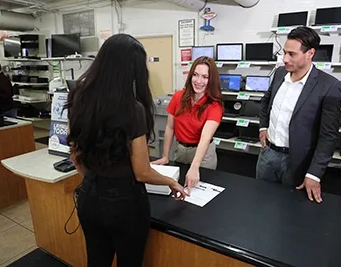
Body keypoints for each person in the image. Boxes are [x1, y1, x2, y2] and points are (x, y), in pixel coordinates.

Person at [65, 34, 188, 267]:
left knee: (96, 261)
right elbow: (142, 172)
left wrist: (95, 181)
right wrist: (171, 182)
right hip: (125, 206)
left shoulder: (78, 98)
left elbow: (75, 154)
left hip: (89, 198)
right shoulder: (133, 110)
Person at [256, 26, 341, 203]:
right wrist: (263, 127)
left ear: (310, 53)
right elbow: (266, 101)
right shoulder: (280, 74)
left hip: (297, 162)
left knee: (290, 210)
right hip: (268, 154)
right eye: (284, 53)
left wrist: (314, 174)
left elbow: (328, 136)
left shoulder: (329, 86)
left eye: (292, 54)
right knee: (261, 203)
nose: (285, 59)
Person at [151, 56, 223, 191]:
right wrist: (166, 156)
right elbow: (170, 127)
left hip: (203, 154)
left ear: (211, 80)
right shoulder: (178, 97)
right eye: (195, 75)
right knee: (180, 188)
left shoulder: (215, 105)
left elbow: (205, 138)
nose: (199, 81)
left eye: (205, 77)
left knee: (198, 191)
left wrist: (195, 166)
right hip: (181, 150)